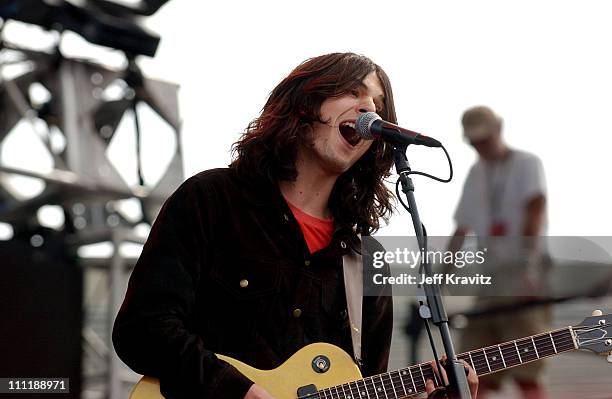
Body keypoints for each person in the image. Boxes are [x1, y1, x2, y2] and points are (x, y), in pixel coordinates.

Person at [113, 52, 478, 399]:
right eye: (353, 92)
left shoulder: (367, 261)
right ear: (304, 104)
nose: (369, 109)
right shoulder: (212, 199)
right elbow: (142, 329)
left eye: (378, 106)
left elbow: (367, 385)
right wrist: (234, 389)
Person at [450, 105, 549, 399]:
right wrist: (439, 277)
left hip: (522, 275)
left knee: (526, 369)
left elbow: (534, 211)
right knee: (472, 370)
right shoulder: (476, 173)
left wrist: (527, 265)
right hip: (490, 279)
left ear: (498, 130)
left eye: (484, 138)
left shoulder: (527, 164)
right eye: (475, 141)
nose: (480, 146)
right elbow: (460, 230)